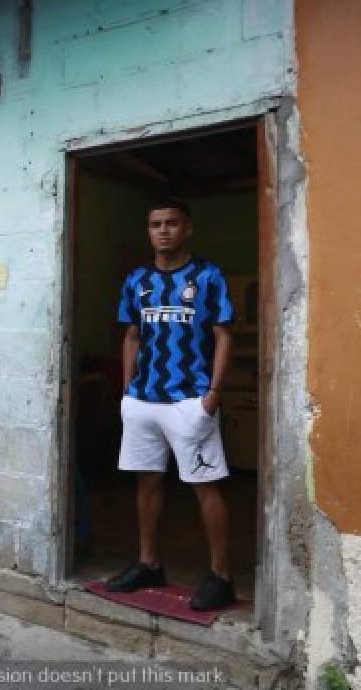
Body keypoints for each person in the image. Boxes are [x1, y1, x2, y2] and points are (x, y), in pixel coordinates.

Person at [103, 199, 236, 611]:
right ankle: (149, 563)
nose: (163, 230)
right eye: (155, 224)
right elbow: (131, 336)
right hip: (144, 398)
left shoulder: (208, 276)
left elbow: (224, 335)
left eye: (172, 223)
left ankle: (222, 576)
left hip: (189, 398)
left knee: (204, 484)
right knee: (147, 482)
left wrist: (212, 394)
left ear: (187, 229)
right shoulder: (137, 280)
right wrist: (127, 390)